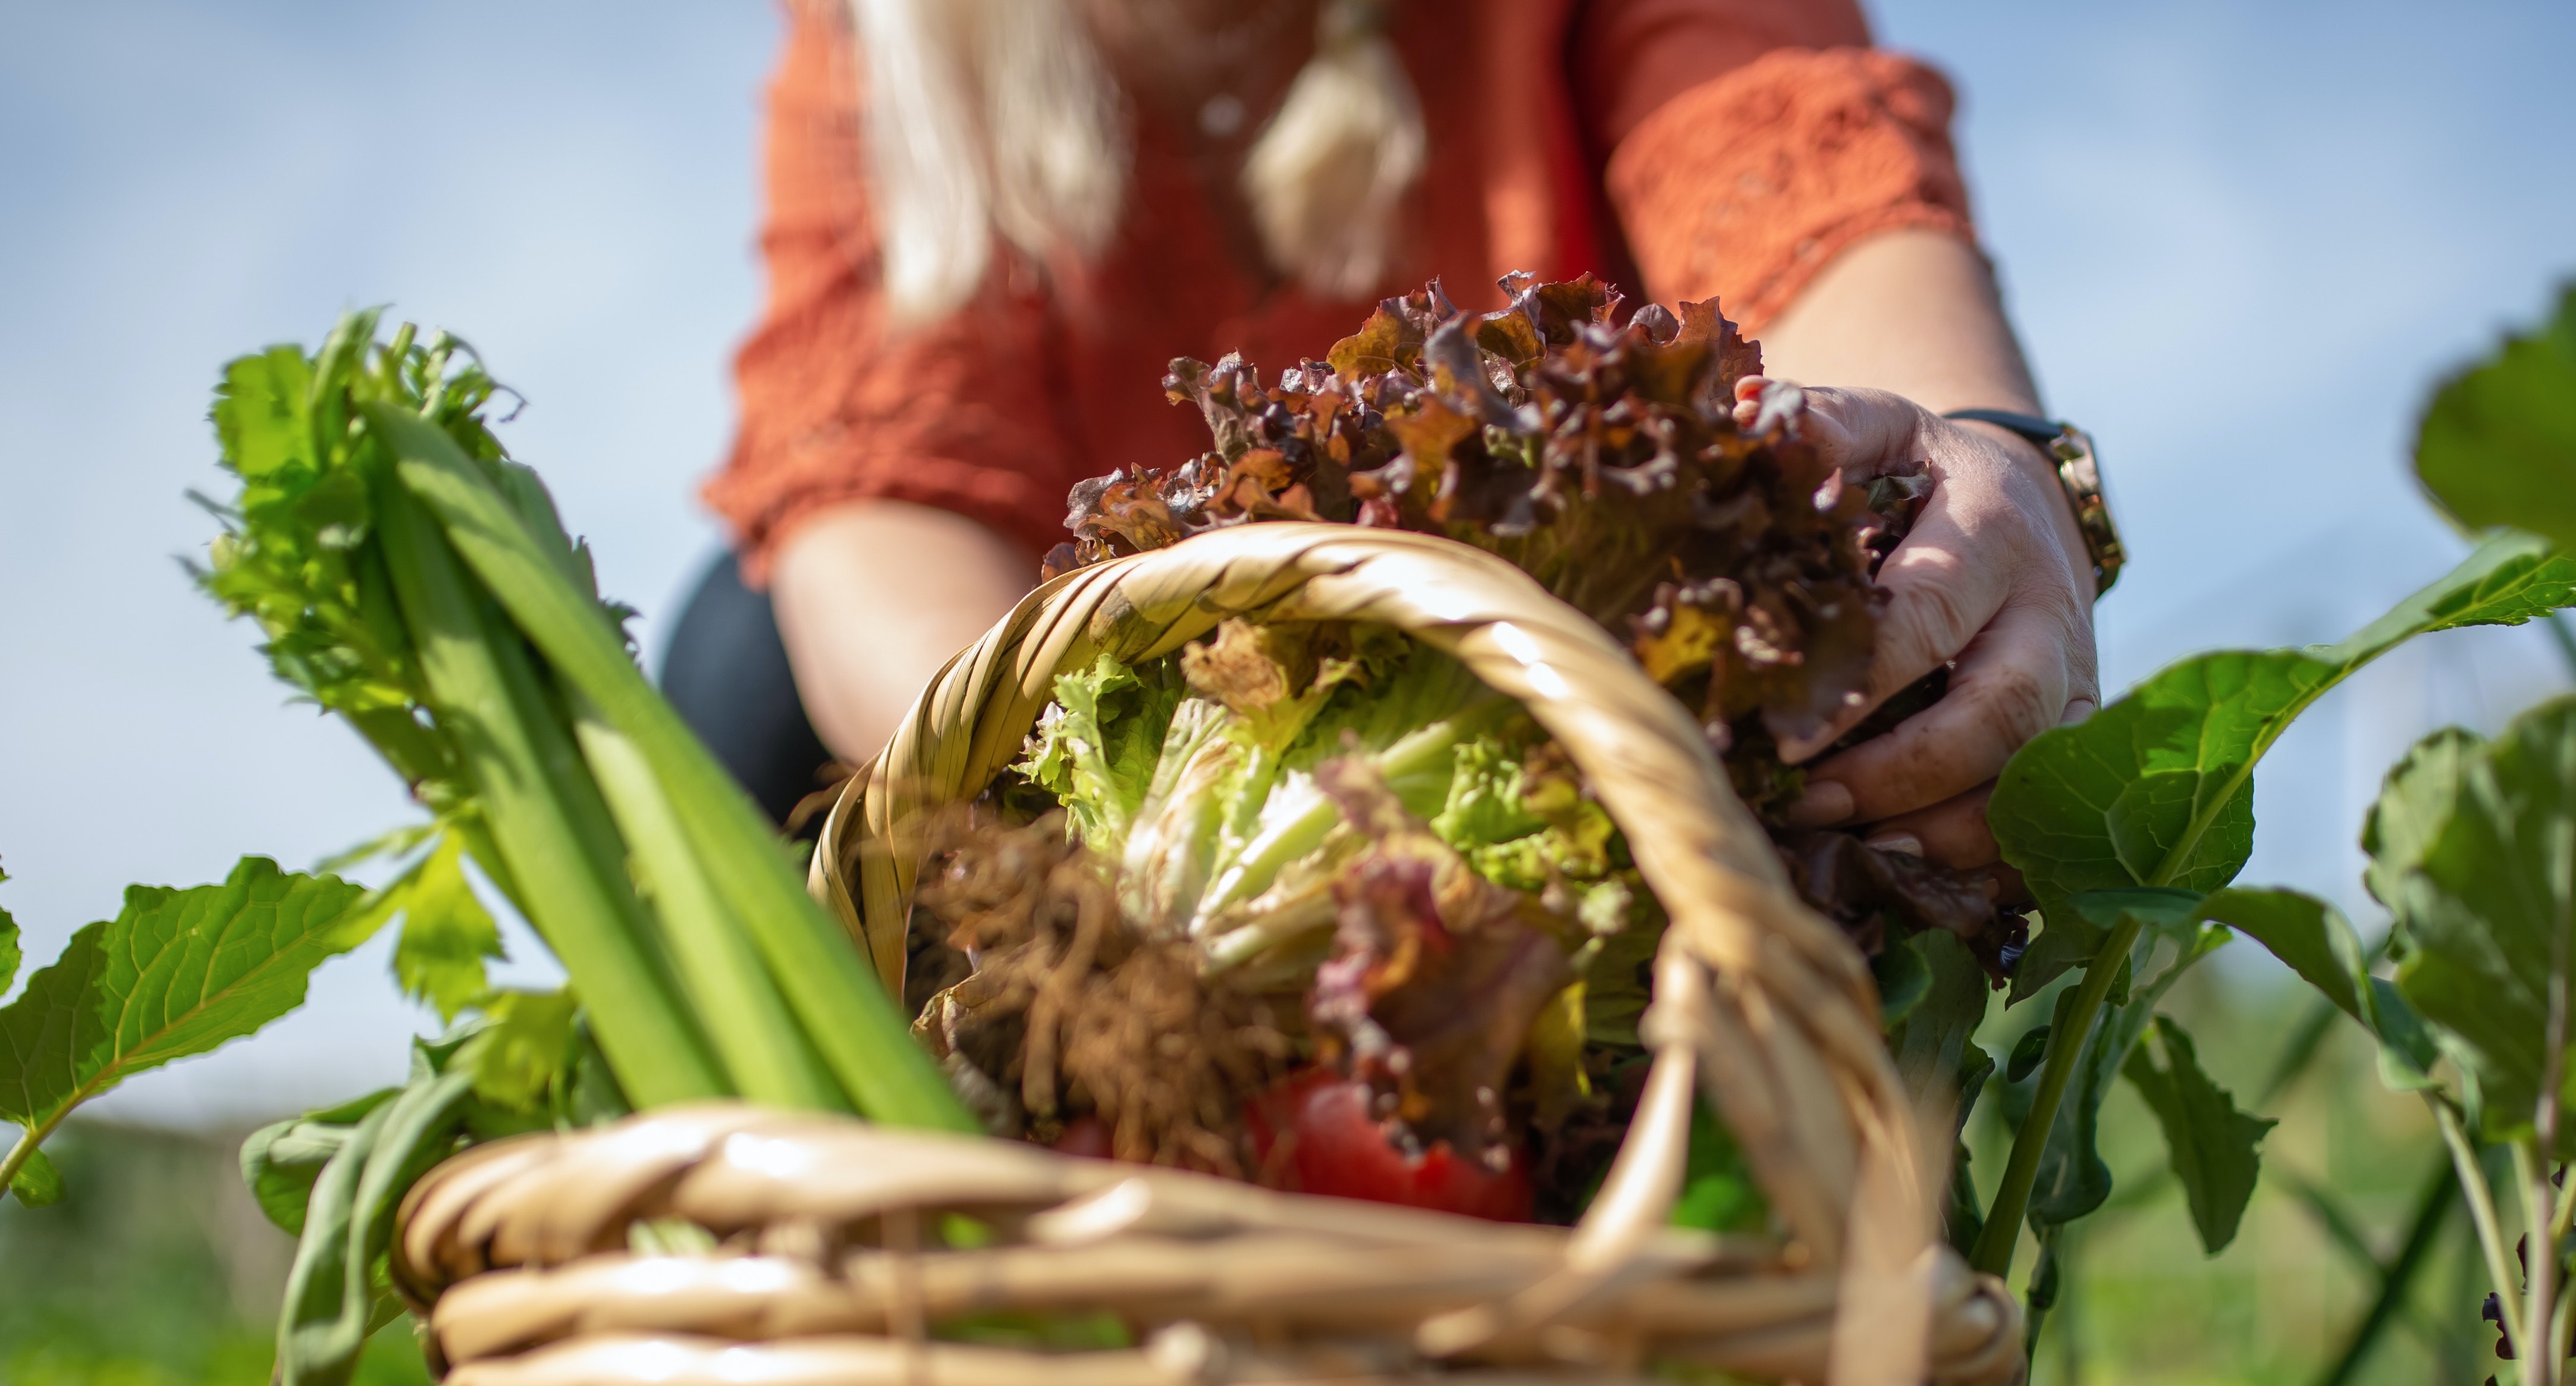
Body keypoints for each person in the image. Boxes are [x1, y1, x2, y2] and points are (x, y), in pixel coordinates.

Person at [665, 0, 2109, 874]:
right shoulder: (893, 42)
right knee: (744, 667)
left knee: (1878, 688)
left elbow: (1803, 179)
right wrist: (1167, 846)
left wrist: (1967, 463)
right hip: (1143, 787)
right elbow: (875, 500)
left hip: (1592, 741)